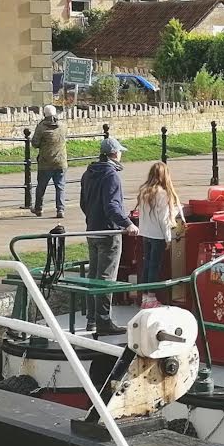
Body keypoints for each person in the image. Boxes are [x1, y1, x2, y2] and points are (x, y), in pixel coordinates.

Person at [80, 136, 139, 336]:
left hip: (92, 229)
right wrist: (127, 224)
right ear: (115, 154)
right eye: (120, 152)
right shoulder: (111, 176)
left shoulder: (88, 173)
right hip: (109, 231)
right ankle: (104, 321)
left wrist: (91, 219)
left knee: (93, 275)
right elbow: (112, 206)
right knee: (106, 277)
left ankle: (91, 320)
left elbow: (83, 203)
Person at [135, 161, 184, 309]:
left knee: (147, 265)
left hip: (146, 233)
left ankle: (144, 296)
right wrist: (168, 237)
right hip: (158, 235)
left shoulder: (144, 191)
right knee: (155, 267)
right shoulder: (162, 194)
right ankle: (151, 297)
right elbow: (163, 219)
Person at [31, 104, 68, 218]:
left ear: (44, 114)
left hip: (45, 162)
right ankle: (60, 209)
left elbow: (35, 143)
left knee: (41, 186)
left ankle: (38, 209)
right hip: (61, 161)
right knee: (60, 186)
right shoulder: (63, 126)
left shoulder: (41, 127)